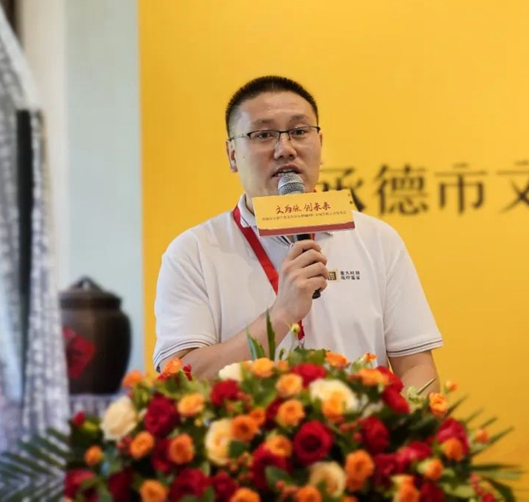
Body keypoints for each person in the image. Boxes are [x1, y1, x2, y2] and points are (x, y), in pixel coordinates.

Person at [153, 76, 442, 392]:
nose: (285, 149)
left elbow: (417, 368)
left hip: (358, 426)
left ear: (320, 143)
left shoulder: (377, 239)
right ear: (232, 154)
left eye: (299, 132)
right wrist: (282, 314)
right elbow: (179, 380)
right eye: (263, 135)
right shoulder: (194, 251)